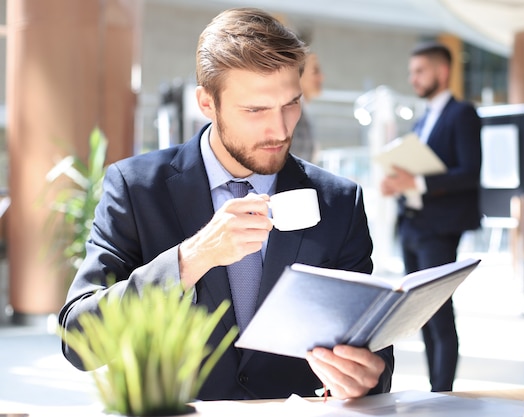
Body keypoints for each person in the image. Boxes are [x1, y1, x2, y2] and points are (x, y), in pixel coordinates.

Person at [58, 8, 393, 401]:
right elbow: (79, 341)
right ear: (206, 103)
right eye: (255, 110)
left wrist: (366, 377)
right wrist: (191, 259)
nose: (281, 129)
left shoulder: (339, 201)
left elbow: (373, 350)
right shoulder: (136, 189)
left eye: (291, 104)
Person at [380, 42, 482, 392]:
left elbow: (469, 173)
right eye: (411, 72)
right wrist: (400, 185)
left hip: (439, 230)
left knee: (438, 314)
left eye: (420, 71)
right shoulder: (424, 119)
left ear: (442, 72)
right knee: (421, 314)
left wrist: (418, 181)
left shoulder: (462, 114)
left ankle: (443, 394)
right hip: (413, 226)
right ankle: (434, 388)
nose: (413, 79)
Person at [290, 52, 324, 162]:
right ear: (297, 74)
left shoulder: (303, 113)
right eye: (315, 71)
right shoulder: (292, 115)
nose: (322, 78)